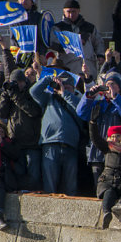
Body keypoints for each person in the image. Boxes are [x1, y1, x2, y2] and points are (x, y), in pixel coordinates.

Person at [30, 66, 83, 196]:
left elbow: (81, 110)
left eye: (67, 86)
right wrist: (48, 79)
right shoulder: (48, 99)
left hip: (70, 146)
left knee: (71, 186)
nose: (63, 87)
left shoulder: (79, 100)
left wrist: (65, 94)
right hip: (50, 145)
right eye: (61, 85)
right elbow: (33, 91)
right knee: (50, 185)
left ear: (73, 88)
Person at [89, 121, 121, 229]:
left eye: (118, 135)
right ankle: (106, 213)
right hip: (107, 180)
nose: (115, 138)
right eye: (112, 136)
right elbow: (95, 138)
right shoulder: (108, 148)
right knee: (109, 191)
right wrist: (93, 123)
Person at [0, 68, 42, 191]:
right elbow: (1, 113)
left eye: (19, 82)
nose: (17, 85)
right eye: (14, 82)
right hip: (15, 142)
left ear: (24, 82)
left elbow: (33, 111)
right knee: (18, 173)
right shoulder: (9, 94)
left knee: (34, 176)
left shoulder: (32, 92)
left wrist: (16, 96)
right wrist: (6, 95)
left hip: (32, 143)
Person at [55, 0, 105, 78]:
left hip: (88, 66)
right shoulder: (58, 28)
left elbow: (98, 42)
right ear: (64, 11)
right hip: (69, 66)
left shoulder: (89, 27)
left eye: (74, 11)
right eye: (69, 12)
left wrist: (100, 55)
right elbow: (53, 45)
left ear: (79, 11)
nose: (71, 14)